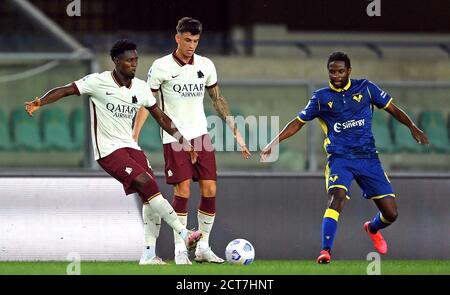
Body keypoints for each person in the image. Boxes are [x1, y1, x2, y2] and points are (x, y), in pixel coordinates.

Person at [24, 39, 202, 265]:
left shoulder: (141, 87)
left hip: (131, 147)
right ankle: (184, 234)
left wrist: (183, 141)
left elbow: (161, 117)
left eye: (136, 60)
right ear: (116, 61)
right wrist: (41, 102)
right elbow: (66, 90)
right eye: (129, 60)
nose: (134, 64)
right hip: (108, 151)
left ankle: (148, 255)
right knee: (150, 186)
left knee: (150, 200)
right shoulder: (97, 82)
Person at [260, 51, 429, 264]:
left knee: (391, 214)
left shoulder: (366, 88)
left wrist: (412, 126)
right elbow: (298, 122)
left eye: (340, 71)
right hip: (340, 160)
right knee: (336, 198)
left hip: (368, 159)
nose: (336, 75)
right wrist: (274, 142)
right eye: (332, 71)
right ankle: (325, 251)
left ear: (349, 71)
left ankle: (372, 228)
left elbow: (392, 109)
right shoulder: (321, 98)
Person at [133, 17, 251, 265]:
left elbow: (217, 99)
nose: (191, 45)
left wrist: (234, 130)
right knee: (183, 189)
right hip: (175, 137)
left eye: (195, 40)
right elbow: (147, 103)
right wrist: (134, 135)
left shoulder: (206, 65)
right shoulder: (161, 66)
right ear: (177, 38)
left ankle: (203, 247)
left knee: (210, 189)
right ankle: (179, 249)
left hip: (201, 136)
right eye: (187, 40)